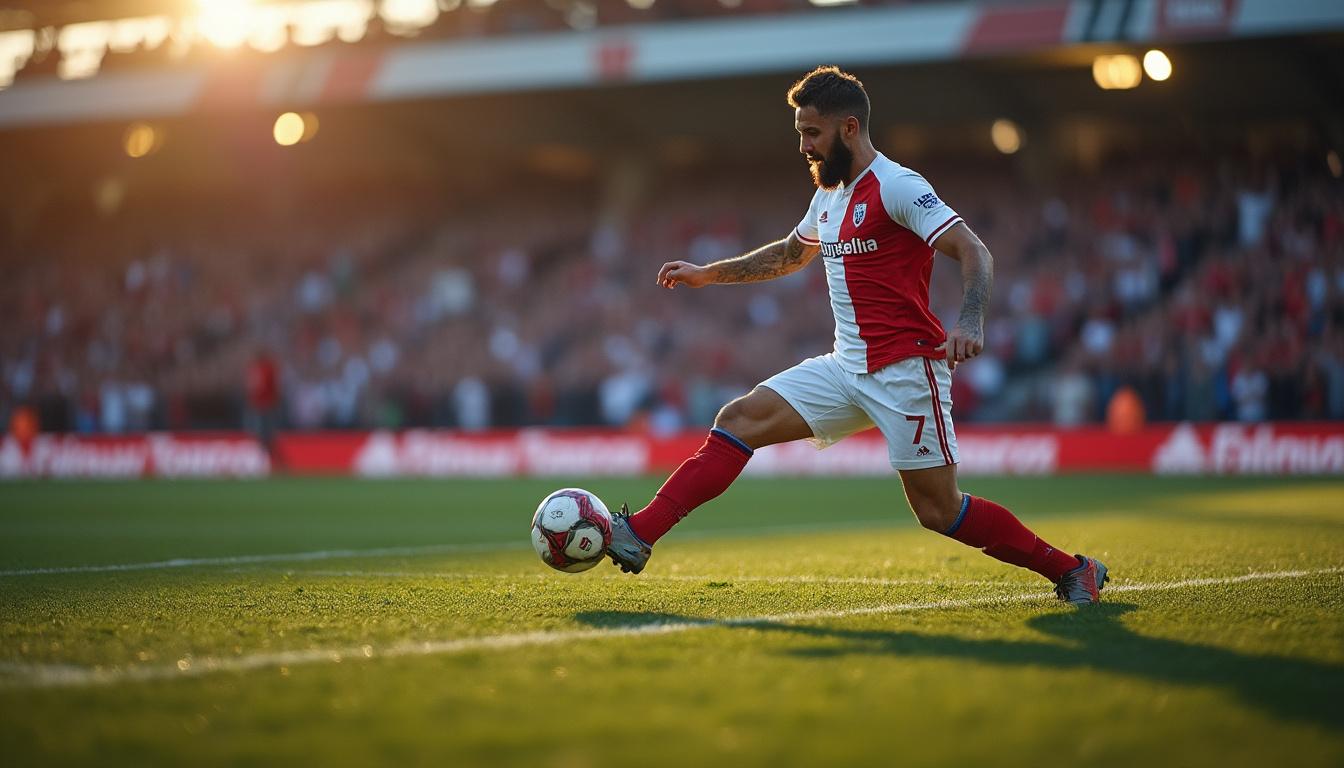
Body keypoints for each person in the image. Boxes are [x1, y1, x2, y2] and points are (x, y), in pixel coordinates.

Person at [606, 66, 1108, 605]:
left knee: (939, 512)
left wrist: (970, 320)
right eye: (799, 132)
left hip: (906, 372)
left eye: (811, 133)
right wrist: (709, 272)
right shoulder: (830, 194)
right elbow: (787, 254)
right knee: (738, 419)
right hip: (846, 366)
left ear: (849, 127)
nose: (803, 145)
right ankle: (639, 533)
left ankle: (1073, 570)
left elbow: (974, 251)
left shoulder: (898, 186)